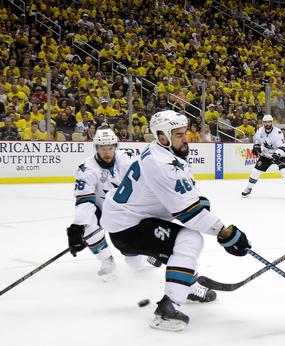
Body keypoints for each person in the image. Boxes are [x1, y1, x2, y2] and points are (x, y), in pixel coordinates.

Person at [101, 110, 252, 332]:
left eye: (185, 133)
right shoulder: (162, 164)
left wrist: (198, 202)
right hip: (129, 227)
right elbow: (189, 214)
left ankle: (187, 285)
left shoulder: (161, 152)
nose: (186, 138)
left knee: (182, 241)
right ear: (162, 136)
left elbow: (183, 196)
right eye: (179, 134)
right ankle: (168, 309)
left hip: (134, 219)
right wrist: (226, 233)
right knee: (189, 239)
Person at [67, 127, 136, 279]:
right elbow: (85, 199)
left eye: (110, 148)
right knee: (87, 225)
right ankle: (106, 259)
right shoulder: (86, 168)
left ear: (116, 147)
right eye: (102, 148)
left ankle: (147, 252)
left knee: (135, 262)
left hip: (127, 210)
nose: (107, 152)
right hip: (102, 208)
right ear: (96, 148)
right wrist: (78, 227)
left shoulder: (127, 159)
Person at [241, 114, 285, 199]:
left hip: (280, 155)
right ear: (263, 123)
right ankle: (249, 188)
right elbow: (257, 142)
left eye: (269, 122)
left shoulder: (278, 132)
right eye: (265, 122)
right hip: (266, 155)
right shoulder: (260, 130)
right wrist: (256, 147)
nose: (267, 124)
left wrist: (277, 154)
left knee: (284, 171)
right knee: (255, 171)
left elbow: (282, 147)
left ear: (271, 122)